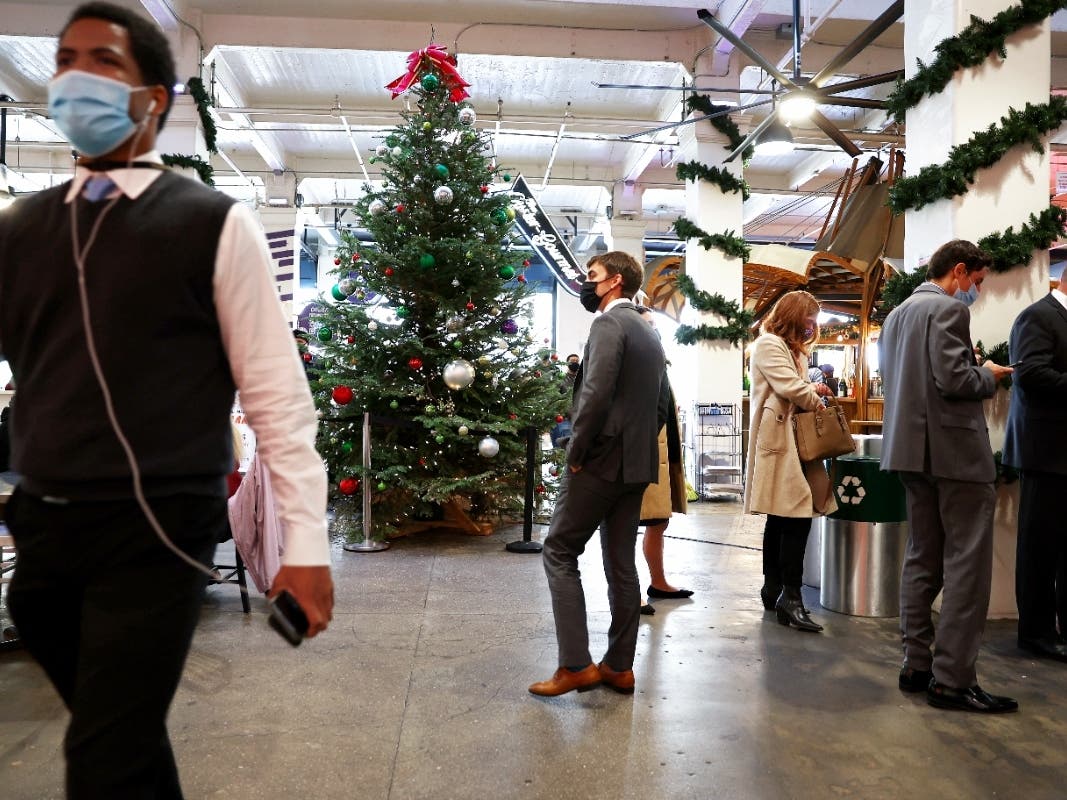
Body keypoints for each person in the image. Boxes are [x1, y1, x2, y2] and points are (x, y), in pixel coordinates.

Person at [0, 3, 334, 796]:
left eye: (103, 62)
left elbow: (278, 397)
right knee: (119, 736)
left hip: (157, 525)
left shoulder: (213, 225)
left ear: (155, 97)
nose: (77, 76)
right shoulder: (20, 229)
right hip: (44, 523)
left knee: (101, 756)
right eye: (66, 58)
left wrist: (307, 547)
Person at [880, 239, 1016, 713]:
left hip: (910, 455)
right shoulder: (948, 312)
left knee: (922, 558)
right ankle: (953, 680)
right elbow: (955, 380)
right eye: (976, 282)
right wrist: (988, 373)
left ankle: (916, 664)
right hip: (955, 456)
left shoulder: (897, 315)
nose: (975, 291)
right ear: (959, 271)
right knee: (966, 567)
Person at [530, 251, 666, 697]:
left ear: (615, 282)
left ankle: (575, 665)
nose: (586, 283)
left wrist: (577, 448)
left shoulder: (609, 325)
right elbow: (663, 405)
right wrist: (635, 444)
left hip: (600, 461)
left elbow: (594, 394)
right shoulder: (648, 330)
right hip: (635, 465)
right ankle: (619, 667)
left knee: (559, 550)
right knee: (620, 561)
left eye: (593, 276)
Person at [745, 291, 836, 633]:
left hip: (790, 440)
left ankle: (773, 588)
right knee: (796, 515)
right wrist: (816, 398)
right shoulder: (769, 344)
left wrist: (812, 388)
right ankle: (791, 597)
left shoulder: (788, 347)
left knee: (782, 516)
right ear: (795, 315)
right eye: (809, 318)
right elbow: (789, 387)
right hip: (782, 440)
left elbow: (795, 384)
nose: (813, 325)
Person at [1003, 270, 1067, 662]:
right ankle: (1036, 633)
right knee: (1040, 548)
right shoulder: (1038, 316)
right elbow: (1029, 375)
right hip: (1046, 452)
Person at [633, 304, 689, 617]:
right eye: (647, 325)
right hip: (641, 452)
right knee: (628, 524)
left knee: (659, 520)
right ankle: (632, 591)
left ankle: (658, 582)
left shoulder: (657, 360)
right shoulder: (632, 360)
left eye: (655, 325)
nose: (652, 330)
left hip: (664, 451)